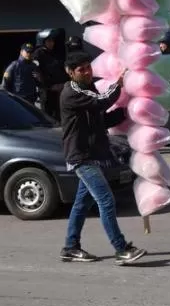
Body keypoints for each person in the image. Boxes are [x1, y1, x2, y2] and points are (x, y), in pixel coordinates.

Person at [59, 50, 146, 264]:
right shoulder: (72, 92)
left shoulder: (87, 88)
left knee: (82, 203)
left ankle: (70, 247)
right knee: (106, 200)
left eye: (89, 67)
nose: (88, 72)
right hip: (81, 156)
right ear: (70, 72)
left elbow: (99, 117)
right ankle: (121, 248)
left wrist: (125, 114)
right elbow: (101, 102)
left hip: (93, 154)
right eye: (81, 69)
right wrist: (119, 83)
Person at [33, 29, 68, 121]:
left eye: (52, 41)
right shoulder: (38, 54)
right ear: (42, 41)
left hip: (58, 89)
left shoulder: (53, 53)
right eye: (49, 41)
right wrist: (49, 86)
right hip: (46, 91)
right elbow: (37, 74)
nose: (52, 43)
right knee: (47, 115)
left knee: (58, 113)